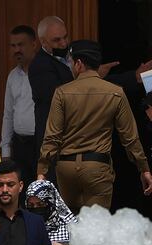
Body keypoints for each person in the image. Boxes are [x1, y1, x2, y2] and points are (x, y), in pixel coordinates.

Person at [28, 16, 152, 183]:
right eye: (57, 40)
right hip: (58, 151)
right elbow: (61, 97)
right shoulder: (40, 66)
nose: (64, 43)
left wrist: (133, 77)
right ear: (43, 42)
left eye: (65, 37)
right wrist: (89, 77)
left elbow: (100, 86)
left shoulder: (74, 56)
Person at [37, 40, 152, 214]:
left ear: (79, 63)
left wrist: (42, 171)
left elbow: (52, 137)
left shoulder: (62, 92)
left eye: (71, 61)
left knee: (70, 226)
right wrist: (143, 168)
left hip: (66, 169)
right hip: (97, 168)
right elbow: (130, 138)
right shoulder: (115, 92)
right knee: (96, 229)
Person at [0, 25, 37, 201]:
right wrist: (5, 150)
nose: (17, 50)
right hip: (20, 146)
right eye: (13, 46)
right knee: (21, 199)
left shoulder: (46, 73)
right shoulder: (13, 76)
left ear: (34, 44)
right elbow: (8, 114)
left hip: (41, 146)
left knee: (41, 198)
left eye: (21, 45)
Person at [26, 180, 77, 245]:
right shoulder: (25, 227)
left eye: (40, 204)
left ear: (51, 203)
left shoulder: (71, 228)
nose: (36, 208)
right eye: (31, 205)